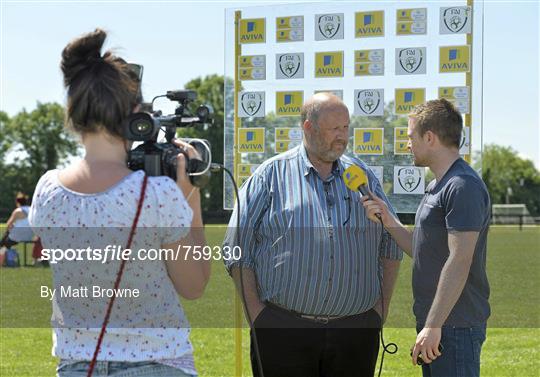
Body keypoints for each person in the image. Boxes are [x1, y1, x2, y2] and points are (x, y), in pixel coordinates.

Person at [28, 29, 209, 377]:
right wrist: (190, 191)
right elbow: (194, 286)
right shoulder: (157, 195)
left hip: (77, 366)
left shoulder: (45, 192)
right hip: (157, 364)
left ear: (76, 112)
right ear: (136, 115)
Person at [224, 93, 402, 377]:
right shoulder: (270, 175)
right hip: (282, 331)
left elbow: (392, 244)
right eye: (334, 129)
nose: (342, 137)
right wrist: (259, 315)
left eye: (346, 128)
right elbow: (236, 247)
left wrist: (380, 309)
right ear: (308, 127)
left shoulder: (363, 177)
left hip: (356, 333)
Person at [362, 98, 490, 377]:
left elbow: (459, 260)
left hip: (454, 327)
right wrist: (387, 219)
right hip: (439, 324)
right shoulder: (437, 185)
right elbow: (422, 250)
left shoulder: (462, 186)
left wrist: (434, 325)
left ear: (429, 137)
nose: (407, 144)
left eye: (411, 137)